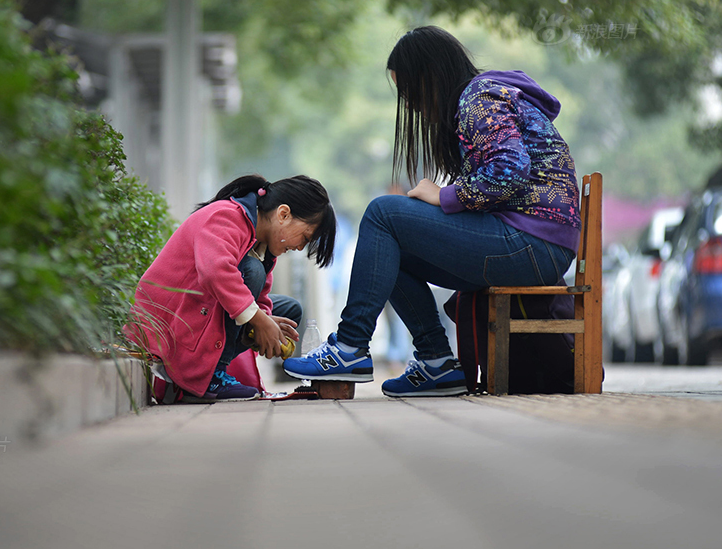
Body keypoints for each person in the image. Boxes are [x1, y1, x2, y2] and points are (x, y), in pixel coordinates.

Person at [284, 25, 581, 397]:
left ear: (430, 76)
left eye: (408, 90)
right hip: (534, 244)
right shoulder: (483, 98)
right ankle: (437, 362)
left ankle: (348, 347)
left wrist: (445, 196)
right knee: (390, 250)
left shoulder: (479, 98)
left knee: (383, 213)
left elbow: (511, 169)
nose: (407, 103)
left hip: (530, 242)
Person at [126, 174, 336, 403]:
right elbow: (215, 271)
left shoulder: (263, 247)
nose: (299, 248)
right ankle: (210, 378)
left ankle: (209, 368)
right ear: (283, 214)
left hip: (199, 314)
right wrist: (258, 320)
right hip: (170, 326)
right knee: (252, 272)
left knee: (288, 310)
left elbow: (261, 296)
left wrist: (264, 322)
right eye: (305, 238)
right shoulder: (226, 216)